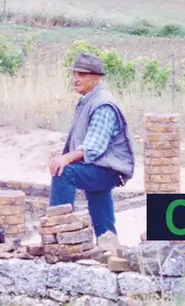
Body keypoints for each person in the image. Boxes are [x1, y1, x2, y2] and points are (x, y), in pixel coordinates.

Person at [48, 52, 135, 240]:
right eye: (75, 74)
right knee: (100, 205)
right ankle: (109, 244)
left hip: (107, 170)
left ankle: (56, 234)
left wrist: (66, 158)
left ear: (96, 78)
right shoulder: (88, 99)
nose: (76, 79)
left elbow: (93, 148)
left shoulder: (103, 104)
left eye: (82, 75)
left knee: (64, 172)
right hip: (100, 167)